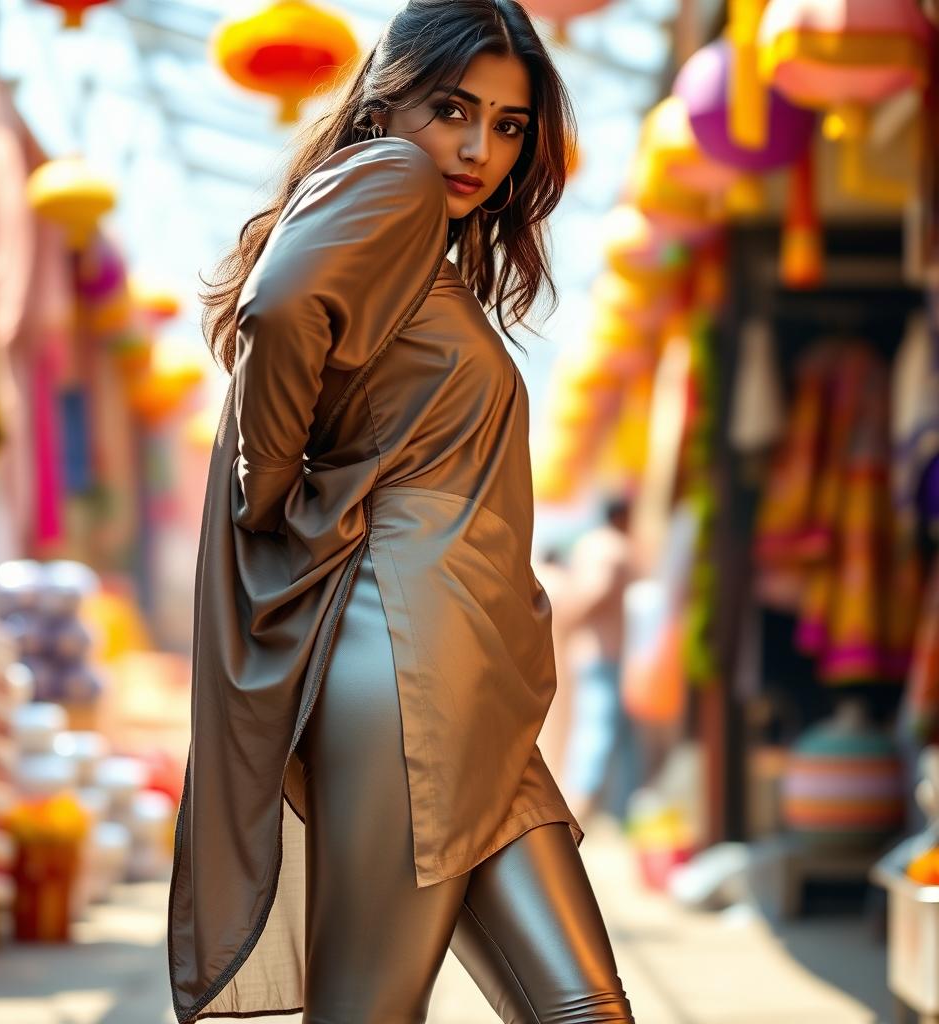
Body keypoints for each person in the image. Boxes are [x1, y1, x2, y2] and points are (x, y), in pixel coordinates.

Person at [166, 2, 636, 1022]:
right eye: (452, 109)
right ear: (389, 101)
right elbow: (281, 308)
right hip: (411, 655)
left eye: (509, 125)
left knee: (582, 1009)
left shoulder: (421, 251)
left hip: (470, 679)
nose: (477, 149)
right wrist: (269, 487)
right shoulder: (395, 177)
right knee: (370, 1010)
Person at [559, 497, 643, 826]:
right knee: (598, 733)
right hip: (604, 654)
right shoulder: (611, 547)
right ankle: (577, 809)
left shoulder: (593, 544)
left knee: (618, 737)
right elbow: (597, 590)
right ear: (622, 514)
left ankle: (622, 811)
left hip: (602, 653)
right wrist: (570, 619)